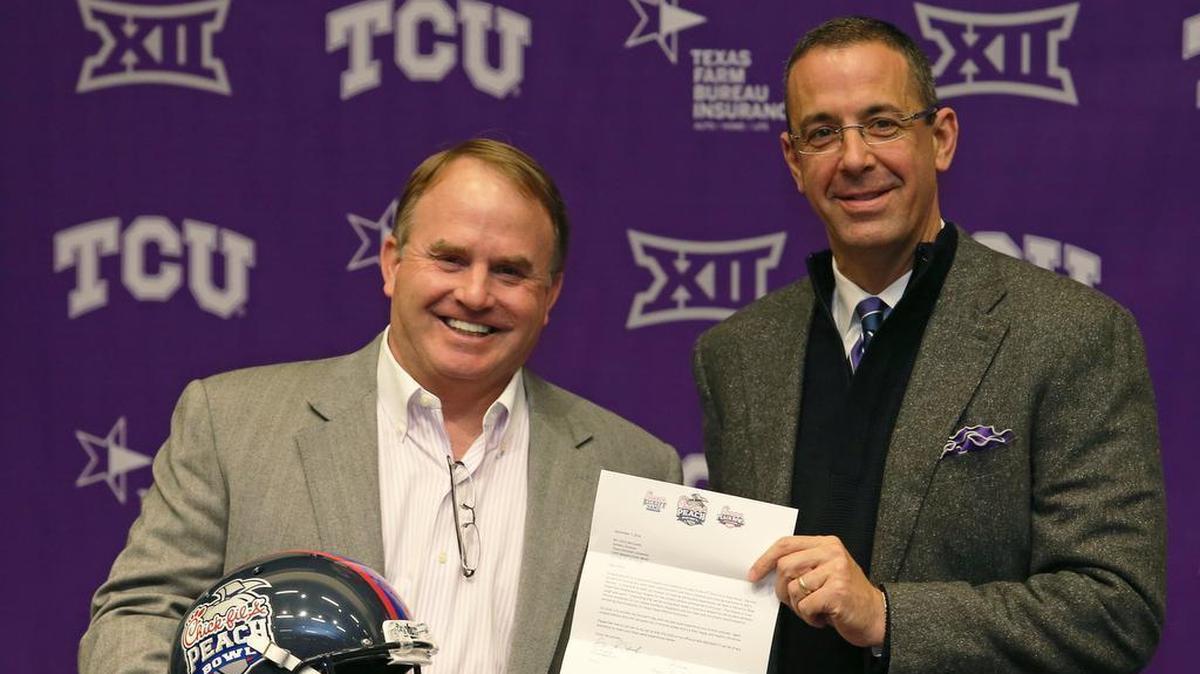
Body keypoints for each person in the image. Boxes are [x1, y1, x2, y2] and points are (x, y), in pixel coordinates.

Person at [79, 138, 682, 674]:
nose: (474, 294)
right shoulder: (230, 422)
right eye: (449, 259)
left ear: (549, 295)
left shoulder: (635, 467)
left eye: (509, 272)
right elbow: (139, 617)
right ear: (392, 262)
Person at [691, 16, 1165, 674]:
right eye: (823, 133)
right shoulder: (737, 355)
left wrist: (888, 615)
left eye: (882, 123)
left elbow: (1116, 609)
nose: (854, 159)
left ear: (940, 138)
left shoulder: (1070, 333)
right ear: (794, 162)